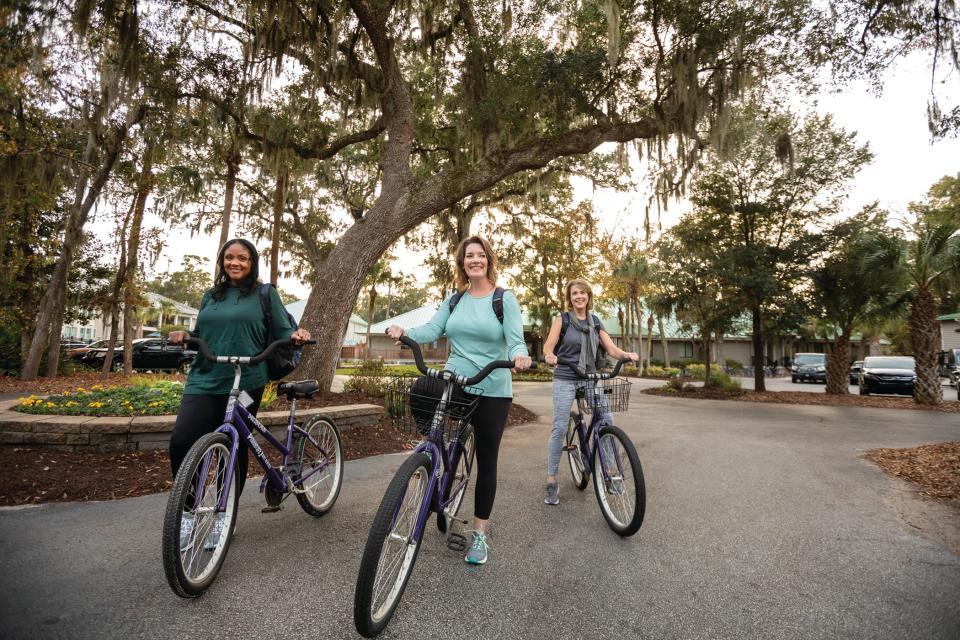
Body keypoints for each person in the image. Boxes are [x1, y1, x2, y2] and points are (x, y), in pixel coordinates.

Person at [387, 236, 531, 565]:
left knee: (487, 459)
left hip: (492, 386)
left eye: (480, 255)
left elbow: (515, 341)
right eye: (469, 256)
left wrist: (520, 356)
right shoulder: (454, 300)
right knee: (423, 388)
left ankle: (480, 533)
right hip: (457, 380)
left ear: (488, 261)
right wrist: (404, 332)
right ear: (462, 262)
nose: (475, 260)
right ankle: (432, 454)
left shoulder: (503, 298)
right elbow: (431, 329)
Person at [168, 238, 311, 545]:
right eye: (229, 258)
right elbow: (201, 334)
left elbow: (286, 332)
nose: (235, 263)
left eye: (242, 258)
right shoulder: (211, 295)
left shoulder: (264, 293)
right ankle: (189, 511)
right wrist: (185, 336)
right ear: (222, 261)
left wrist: (297, 336)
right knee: (182, 441)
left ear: (252, 262)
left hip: (247, 380)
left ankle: (223, 515)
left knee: (235, 442)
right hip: (205, 377)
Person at [541, 279, 638, 506]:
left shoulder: (595, 321)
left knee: (607, 420)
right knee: (560, 425)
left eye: (582, 293)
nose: (579, 297)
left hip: (590, 377)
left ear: (588, 296)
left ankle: (612, 474)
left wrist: (626, 355)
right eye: (574, 293)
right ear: (570, 297)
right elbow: (548, 345)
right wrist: (549, 355)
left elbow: (611, 349)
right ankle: (552, 479)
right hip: (566, 376)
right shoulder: (562, 319)